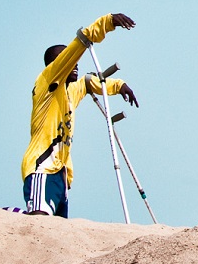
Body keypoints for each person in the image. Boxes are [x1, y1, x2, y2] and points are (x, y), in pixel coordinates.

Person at [21, 13, 138, 217]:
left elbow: (87, 83)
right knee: (38, 221)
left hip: (61, 175)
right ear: (56, 66)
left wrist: (119, 85)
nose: (74, 64)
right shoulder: (47, 82)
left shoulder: (70, 90)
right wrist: (107, 23)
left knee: (56, 233)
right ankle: (9, 213)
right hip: (42, 168)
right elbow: (77, 47)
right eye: (68, 62)